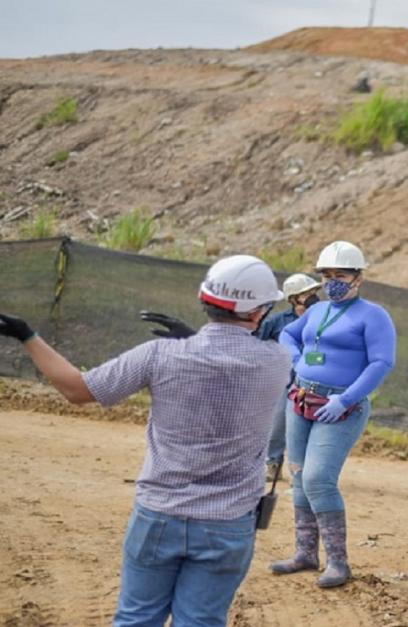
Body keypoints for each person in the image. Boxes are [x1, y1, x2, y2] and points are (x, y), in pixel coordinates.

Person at [0, 255, 291, 627]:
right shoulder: (277, 361)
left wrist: (28, 336)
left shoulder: (159, 355)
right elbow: (233, 359)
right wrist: (200, 341)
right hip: (228, 521)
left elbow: (77, 389)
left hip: (160, 513)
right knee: (201, 621)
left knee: (137, 619)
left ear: (205, 299)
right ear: (259, 312)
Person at [270, 241, 396, 588]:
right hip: (301, 400)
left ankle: (338, 563)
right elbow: (286, 333)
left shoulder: (373, 315)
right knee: (298, 476)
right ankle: (305, 553)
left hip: (341, 406)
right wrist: (295, 360)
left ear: (359, 277)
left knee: (318, 478)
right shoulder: (316, 311)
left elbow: (381, 362)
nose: (332, 281)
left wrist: (347, 399)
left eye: (340, 274)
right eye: (326, 275)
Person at [257, 273, 322, 482]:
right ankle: (273, 464)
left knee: (309, 429)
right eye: (306, 294)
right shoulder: (278, 322)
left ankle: (303, 472)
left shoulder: (324, 319)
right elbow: (255, 344)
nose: (312, 296)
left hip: (316, 382)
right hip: (285, 382)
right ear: (294, 299)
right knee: (278, 424)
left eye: (313, 292)